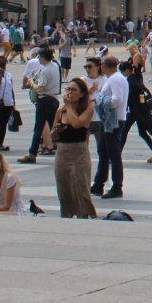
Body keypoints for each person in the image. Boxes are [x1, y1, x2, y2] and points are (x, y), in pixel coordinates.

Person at [54, 77, 96, 218]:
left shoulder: (88, 109)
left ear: (82, 94)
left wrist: (70, 107)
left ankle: (84, 216)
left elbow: (77, 124)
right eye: (68, 89)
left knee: (81, 188)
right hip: (62, 152)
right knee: (64, 188)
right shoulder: (61, 111)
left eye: (74, 90)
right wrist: (57, 131)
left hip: (79, 152)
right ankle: (66, 215)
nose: (70, 92)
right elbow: (53, 135)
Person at [92, 54, 129, 198]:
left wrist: (101, 101)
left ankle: (117, 186)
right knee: (104, 152)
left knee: (113, 154)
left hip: (113, 120)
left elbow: (117, 99)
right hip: (110, 119)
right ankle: (98, 184)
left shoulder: (116, 79)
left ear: (104, 66)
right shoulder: (114, 78)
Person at [18, 48, 60, 164]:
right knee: (55, 126)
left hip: (44, 100)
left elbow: (40, 88)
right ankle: (64, 150)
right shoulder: (55, 66)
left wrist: (32, 83)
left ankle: (32, 153)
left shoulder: (45, 70)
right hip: (54, 98)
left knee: (38, 128)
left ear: (42, 57)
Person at [0, 55, 17, 151]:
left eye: (3, 65)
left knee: (4, 124)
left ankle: (0, 142)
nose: (1, 67)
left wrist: (13, 103)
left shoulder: (9, 75)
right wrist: (0, 76)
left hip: (8, 104)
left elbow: (11, 89)